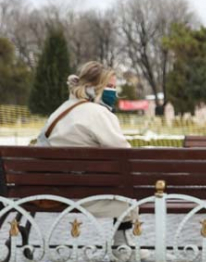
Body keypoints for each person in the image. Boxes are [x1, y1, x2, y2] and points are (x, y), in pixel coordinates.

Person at [39, 61, 135, 248]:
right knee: (126, 193)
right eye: (109, 87)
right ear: (93, 88)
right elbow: (125, 154)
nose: (113, 92)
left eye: (115, 87)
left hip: (51, 191)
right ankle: (122, 246)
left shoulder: (60, 110)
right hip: (85, 194)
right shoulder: (99, 113)